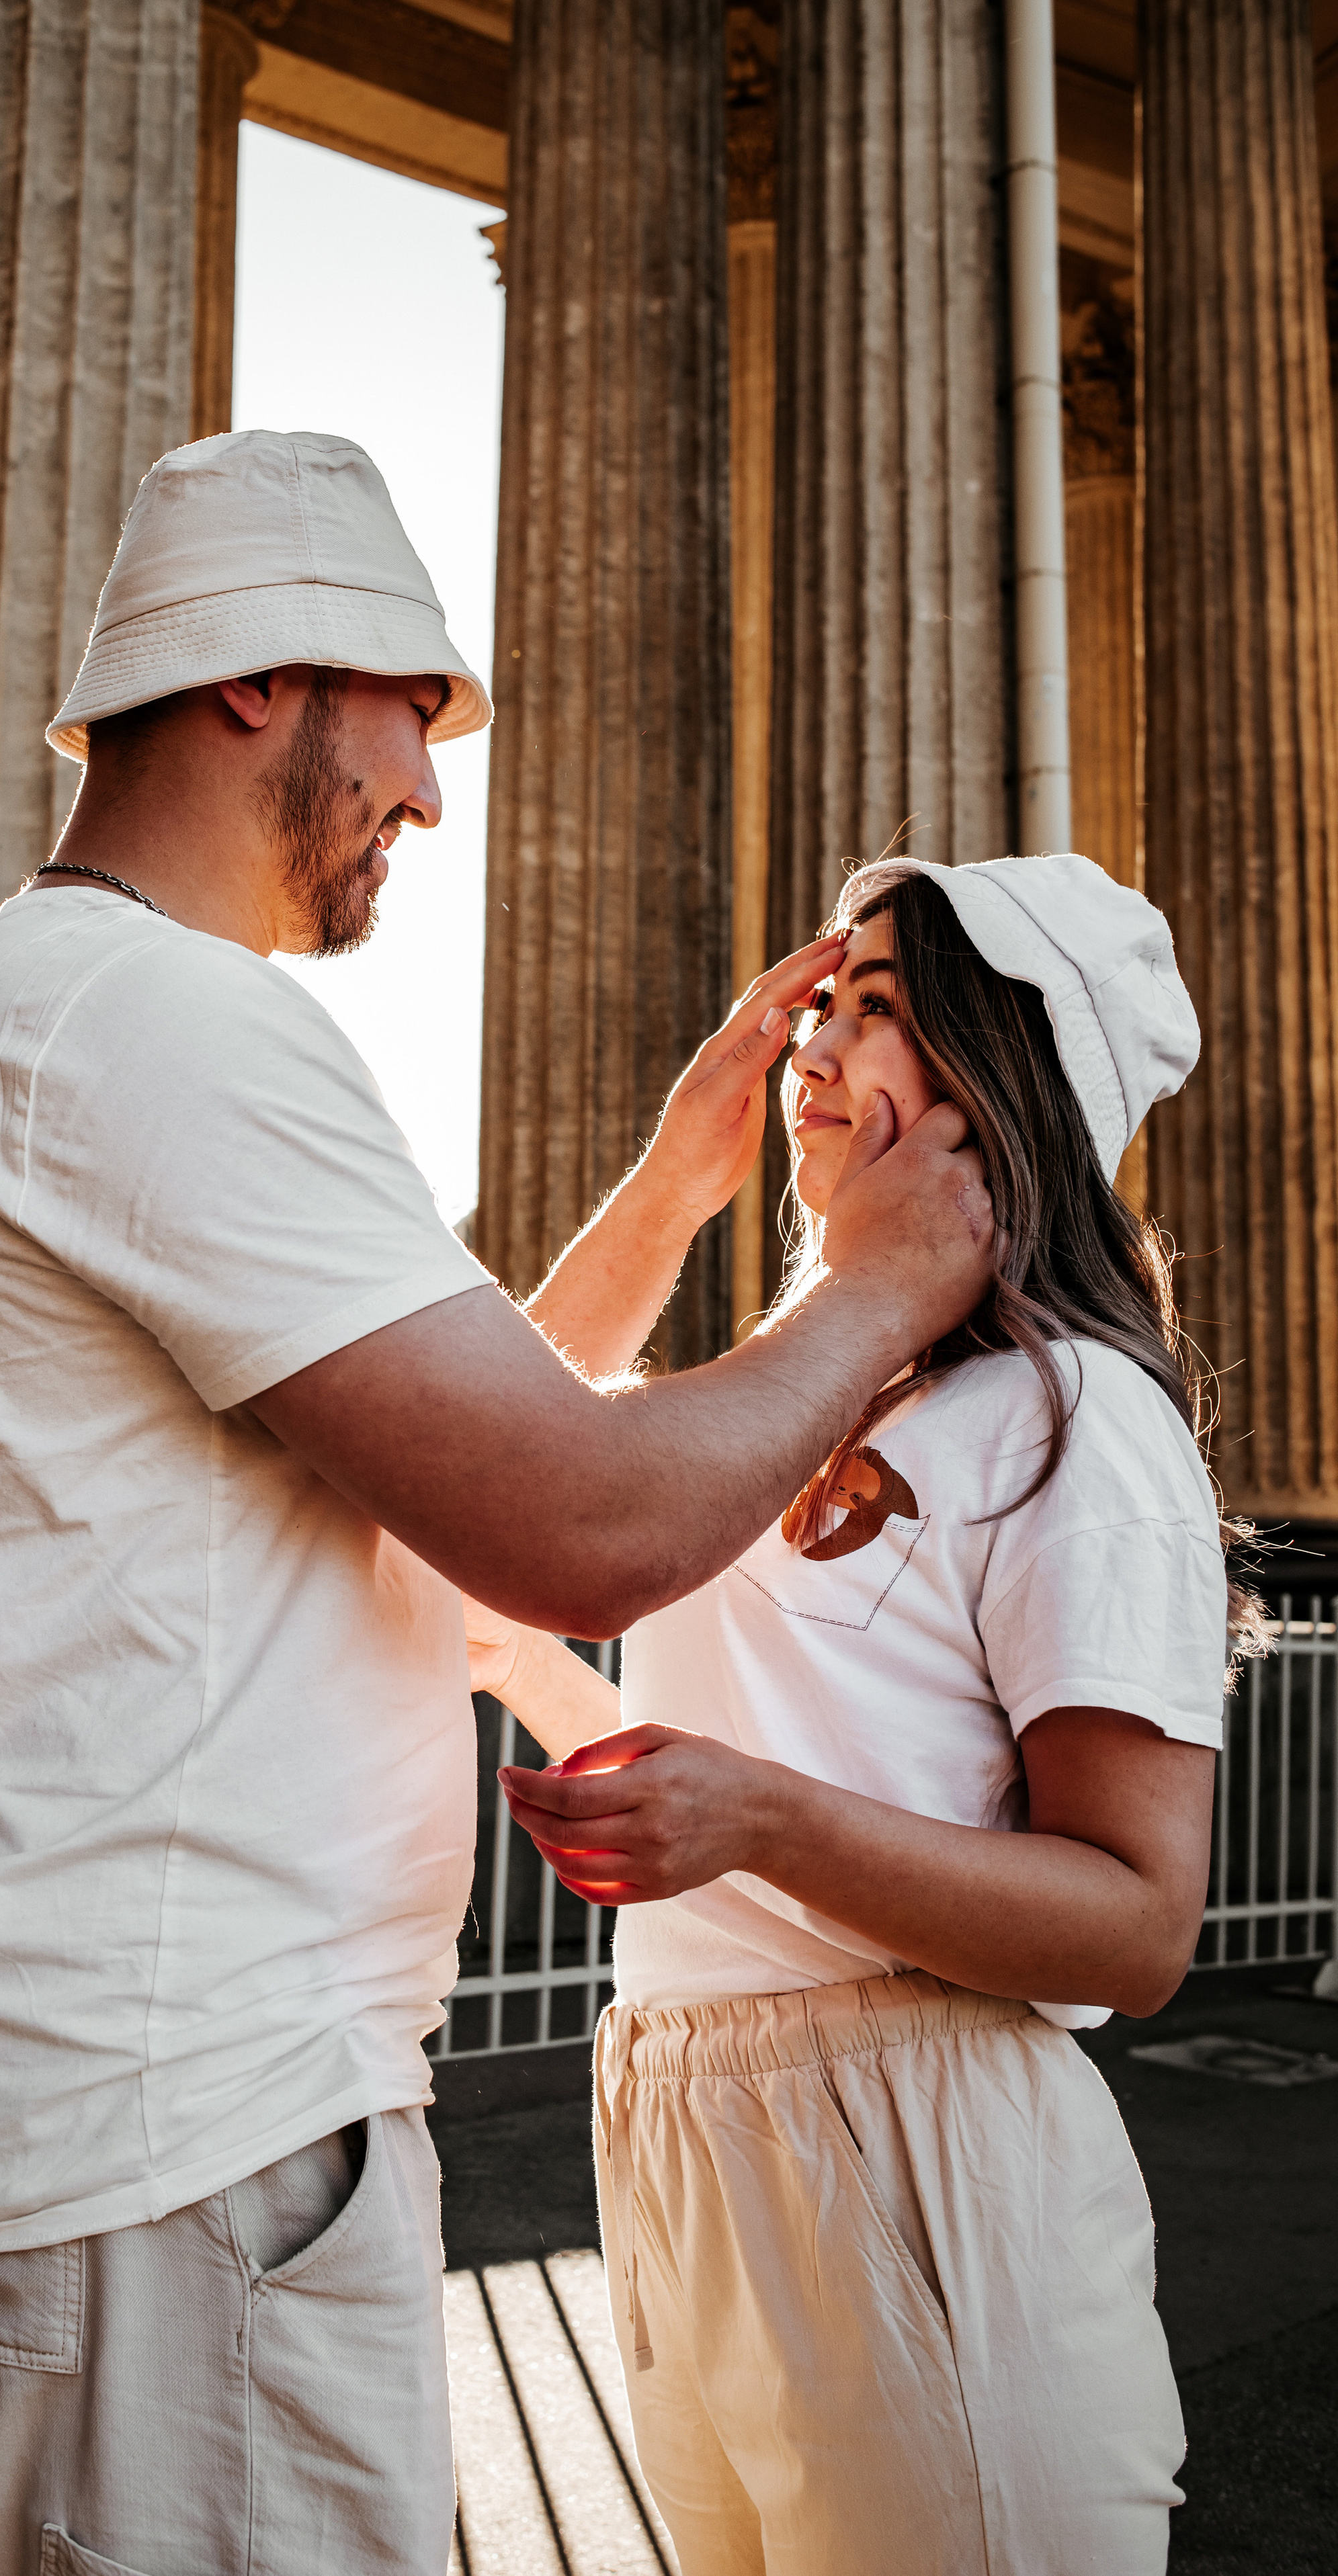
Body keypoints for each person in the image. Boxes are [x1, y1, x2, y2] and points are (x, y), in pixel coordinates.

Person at [0, 431, 994, 2576]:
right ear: (265, 680)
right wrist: (890, 1287)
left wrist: (673, 1187)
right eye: (416, 713)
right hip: (179, 2129)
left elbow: (456, 1459)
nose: (437, 792)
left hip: (145, 2118)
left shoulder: (93, 1007)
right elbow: (573, 1529)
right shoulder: (168, 1025)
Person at [473, 851, 1263, 2576]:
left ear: (1003, 1096)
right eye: (822, 1003)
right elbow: (505, 1482)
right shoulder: (803, 1385)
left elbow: (1133, 1926)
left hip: (921, 2148)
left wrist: (763, 1820)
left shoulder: (1074, 1420)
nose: (814, 1048)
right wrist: (681, 1176)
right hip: (679, 2126)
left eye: (879, 1011)